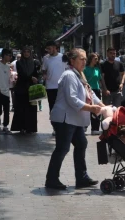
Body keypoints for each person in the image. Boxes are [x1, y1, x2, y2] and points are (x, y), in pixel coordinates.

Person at [45, 48, 105, 190]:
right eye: (81, 59)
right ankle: (52, 179)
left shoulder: (79, 74)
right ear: (72, 60)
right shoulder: (69, 75)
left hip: (75, 119)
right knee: (62, 148)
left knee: (81, 144)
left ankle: (82, 177)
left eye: (85, 59)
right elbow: (72, 99)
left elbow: (90, 93)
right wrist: (91, 108)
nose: (85, 61)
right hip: (64, 119)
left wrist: (103, 106)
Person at [10, 46, 38, 134]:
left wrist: (36, 78)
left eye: (28, 52)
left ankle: (30, 128)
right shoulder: (19, 63)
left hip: (31, 89)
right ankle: (21, 127)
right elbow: (22, 74)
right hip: (21, 88)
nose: (26, 53)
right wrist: (31, 78)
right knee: (21, 108)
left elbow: (36, 73)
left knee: (31, 108)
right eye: (25, 52)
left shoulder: (34, 63)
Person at [42, 41, 67, 135]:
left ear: (55, 47)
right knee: (52, 108)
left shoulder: (63, 57)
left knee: (62, 107)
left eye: (50, 48)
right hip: (50, 86)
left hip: (61, 86)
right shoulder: (46, 58)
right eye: (47, 48)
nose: (48, 50)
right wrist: (44, 75)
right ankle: (55, 127)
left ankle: (62, 125)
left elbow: (68, 69)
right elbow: (44, 69)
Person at [84, 53, 104, 135]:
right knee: (87, 109)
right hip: (88, 90)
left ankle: (95, 128)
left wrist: (103, 89)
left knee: (97, 109)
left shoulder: (97, 69)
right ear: (91, 59)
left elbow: (100, 80)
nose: (96, 60)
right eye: (95, 58)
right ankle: (84, 127)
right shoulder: (85, 69)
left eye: (97, 59)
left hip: (97, 90)